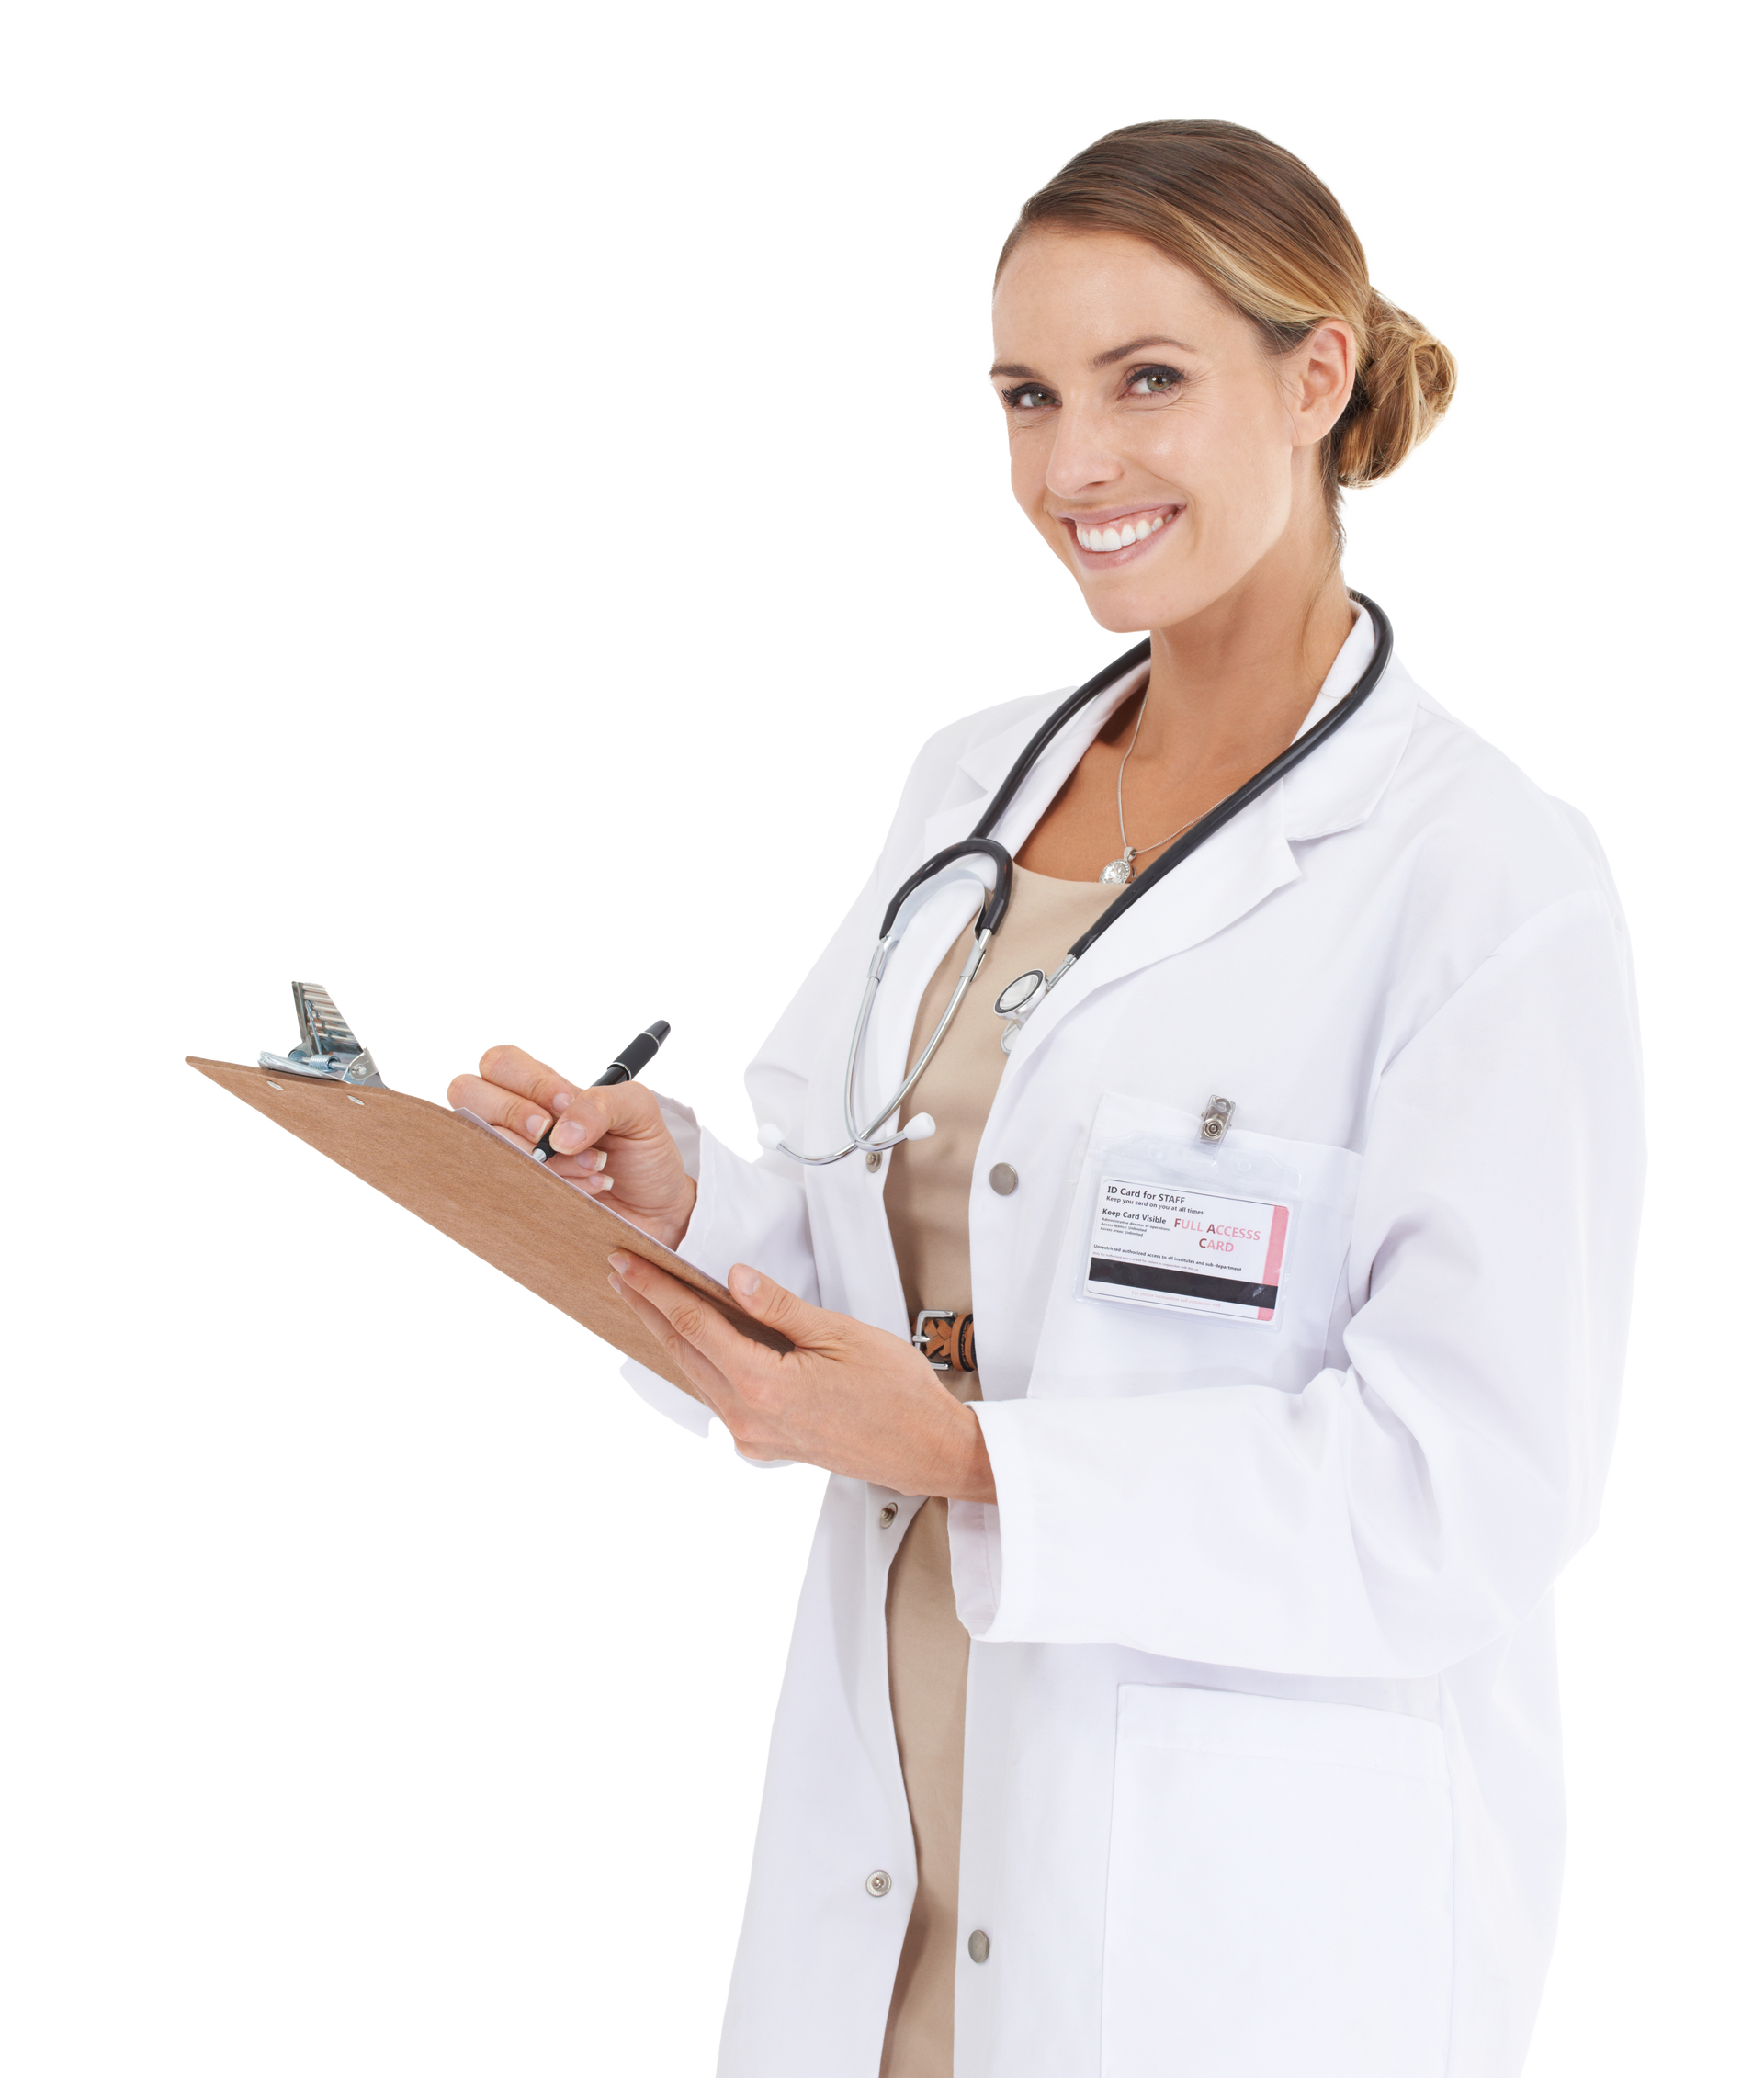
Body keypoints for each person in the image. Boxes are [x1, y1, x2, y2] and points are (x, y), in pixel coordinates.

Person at [447, 117, 1646, 2078]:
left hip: (1239, 1918)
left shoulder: (1486, 877)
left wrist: (980, 1460)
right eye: (1029, 394)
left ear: (1316, 375)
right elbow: (883, 1231)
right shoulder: (970, 784)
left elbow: (1473, 1499)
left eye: (1147, 380)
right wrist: (683, 1204)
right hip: (901, 1824)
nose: (1075, 464)